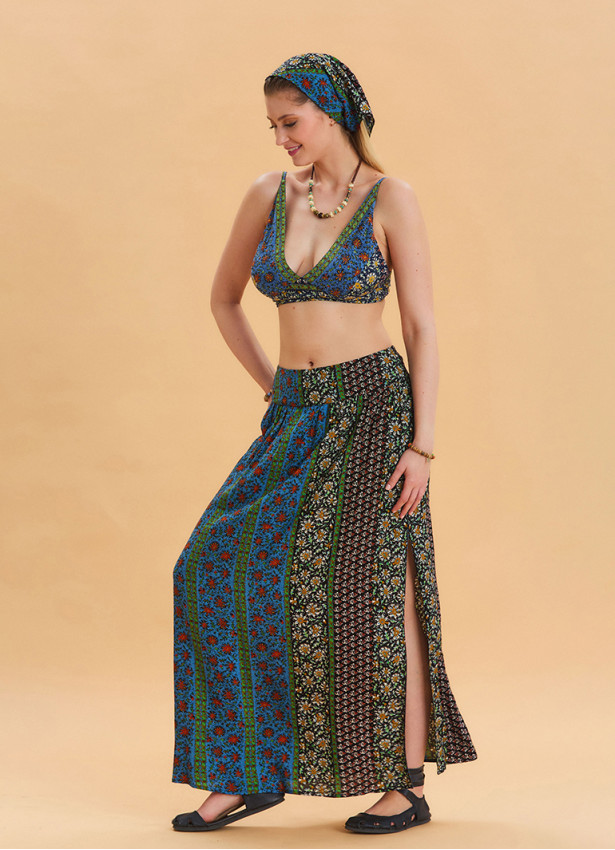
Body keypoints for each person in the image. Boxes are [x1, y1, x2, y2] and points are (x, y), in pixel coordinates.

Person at [171, 52, 477, 836]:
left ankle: (403, 783)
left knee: (374, 592)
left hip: (375, 407)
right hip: (297, 411)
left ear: (332, 110)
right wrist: (273, 386)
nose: (280, 138)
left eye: (290, 121)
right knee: (210, 567)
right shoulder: (267, 195)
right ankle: (243, 770)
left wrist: (422, 444)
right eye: (272, 125)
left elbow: (420, 325)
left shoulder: (390, 197)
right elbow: (223, 299)